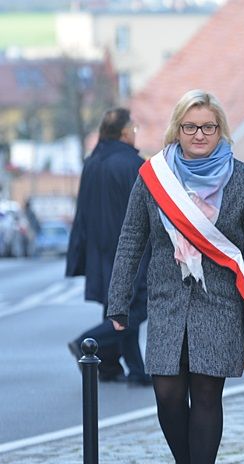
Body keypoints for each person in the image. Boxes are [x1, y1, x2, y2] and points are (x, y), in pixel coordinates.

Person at [106, 90, 244, 464]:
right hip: (167, 300)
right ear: (177, 131)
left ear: (220, 129)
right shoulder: (153, 176)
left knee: (206, 394)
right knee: (167, 395)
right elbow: (132, 238)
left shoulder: (242, 178)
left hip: (220, 301)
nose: (199, 134)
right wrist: (118, 299)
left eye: (207, 126)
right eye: (190, 127)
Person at [65, 107, 150, 386]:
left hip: (97, 250)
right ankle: (87, 342)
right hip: (127, 249)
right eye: (134, 129)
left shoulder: (92, 162)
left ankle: (116, 367)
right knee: (134, 308)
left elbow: (82, 210)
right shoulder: (132, 164)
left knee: (115, 305)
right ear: (125, 133)